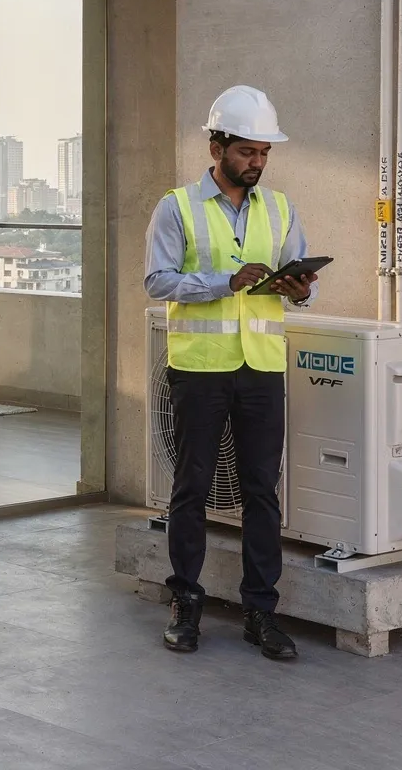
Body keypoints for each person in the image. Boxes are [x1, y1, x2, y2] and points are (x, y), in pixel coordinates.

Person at [145, 85, 319, 661]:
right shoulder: (177, 206)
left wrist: (298, 289)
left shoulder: (281, 207)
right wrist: (227, 281)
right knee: (191, 489)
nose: (258, 162)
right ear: (217, 146)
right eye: (248, 151)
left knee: (261, 492)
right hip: (199, 370)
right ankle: (186, 601)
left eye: (265, 153)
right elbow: (157, 281)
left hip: (263, 369)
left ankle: (260, 611)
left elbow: (298, 287)